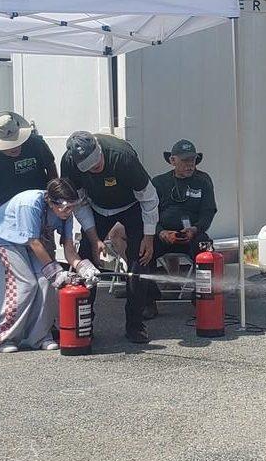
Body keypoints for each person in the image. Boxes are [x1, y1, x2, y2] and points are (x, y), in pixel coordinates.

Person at [60, 131, 159, 344]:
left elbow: (149, 198)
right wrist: (95, 238)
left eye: (98, 164)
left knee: (139, 261)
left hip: (131, 206)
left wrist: (148, 237)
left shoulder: (123, 156)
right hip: (95, 207)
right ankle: (84, 322)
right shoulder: (68, 162)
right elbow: (79, 203)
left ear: (98, 148)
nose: (96, 169)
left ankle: (135, 325)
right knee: (86, 259)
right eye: (90, 168)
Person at [0, 177, 95, 353]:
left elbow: (69, 249)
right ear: (52, 203)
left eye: (72, 207)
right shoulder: (30, 204)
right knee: (25, 285)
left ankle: (39, 337)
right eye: (66, 207)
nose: (69, 212)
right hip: (6, 239)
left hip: (34, 241)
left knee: (46, 283)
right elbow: (34, 242)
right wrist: (57, 272)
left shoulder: (65, 213)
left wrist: (84, 267)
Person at [0, 111, 57, 248]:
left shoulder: (35, 143)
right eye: (8, 145)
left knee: (42, 249)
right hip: (2, 203)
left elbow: (51, 168)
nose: (14, 147)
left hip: (38, 204)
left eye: (17, 141)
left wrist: (53, 201)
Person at [150, 138, 217, 266]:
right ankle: (145, 284)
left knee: (206, 249)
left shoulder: (203, 180)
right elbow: (151, 213)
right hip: (165, 235)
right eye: (184, 160)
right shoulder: (159, 182)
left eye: (192, 160)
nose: (190, 164)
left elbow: (208, 212)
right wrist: (161, 232)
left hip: (193, 235)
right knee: (143, 247)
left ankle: (205, 284)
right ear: (173, 161)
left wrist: (195, 229)